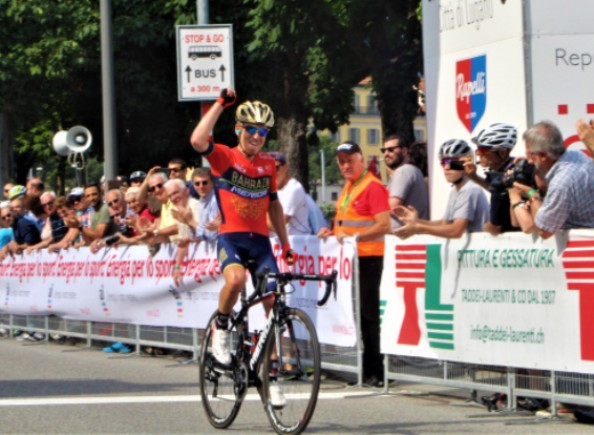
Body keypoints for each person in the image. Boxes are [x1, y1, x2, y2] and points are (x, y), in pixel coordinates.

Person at [190, 88, 296, 405]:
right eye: (251, 129)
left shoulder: (267, 164)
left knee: (273, 305)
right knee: (235, 281)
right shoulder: (225, 156)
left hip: (261, 244)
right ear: (239, 129)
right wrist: (221, 104)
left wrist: (286, 244)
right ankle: (221, 328)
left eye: (263, 131)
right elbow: (197, 140)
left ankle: (272, 377)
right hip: (232, 237)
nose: (257, 136)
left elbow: (274, 207)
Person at [317, 140, 391, 388]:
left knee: (369, 317)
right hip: (354, 259)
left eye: (349, 160)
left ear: (361, 158)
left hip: (369, 258)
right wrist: (331, 231)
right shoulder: (350, 187)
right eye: (341, 161)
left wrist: (353, 238)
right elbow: (345, 223)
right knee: (360, 316)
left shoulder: (373, 187)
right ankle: (366, 369)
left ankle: (376, 372)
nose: (345, 165)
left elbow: (384, 225)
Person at [508, 120, 594, 238]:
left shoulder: (561, 183)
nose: (528, 161)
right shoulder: (577, 156)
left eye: (530, 154)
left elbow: (544, 230)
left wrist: (531, 194)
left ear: (543, 156)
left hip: (583, 249)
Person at [394, 139, 489, 239]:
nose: (446, 167)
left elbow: (456, 231)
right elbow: (444, 223)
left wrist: (418, 228)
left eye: (452, 162)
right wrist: (416, 221)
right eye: (444, 162)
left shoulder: (469, 189)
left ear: (466, 163)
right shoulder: (456, 190)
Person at [466, 123, 520, 235]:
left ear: (503, 152)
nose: (479, 154)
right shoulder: (513, 168)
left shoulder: (500, 183)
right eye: (478, 150)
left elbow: (495, 228)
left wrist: (482, 228)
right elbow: (495, 189)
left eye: (484, 151)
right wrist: (474, 177)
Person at [382, 134, 429, 229]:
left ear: (404, 151)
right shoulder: (412, 170)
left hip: (402, 237)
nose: (386, 153)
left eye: (391, 149)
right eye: (384, 150)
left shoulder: (403, 171)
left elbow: (392, 206)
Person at [267, 151, 311, 236]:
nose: (272, 173)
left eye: (276, 168)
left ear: (285, 167)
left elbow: (277, 225)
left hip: (298, 244)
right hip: (277, 244)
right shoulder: (269, 189)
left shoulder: (294, 189)